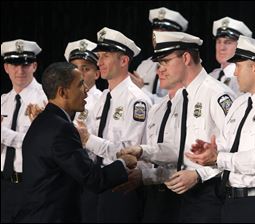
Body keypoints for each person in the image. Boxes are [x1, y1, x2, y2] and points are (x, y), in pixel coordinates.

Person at [120, 30, 236, 222]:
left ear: (186, 58)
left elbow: (234, 150)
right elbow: (178, 149)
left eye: (165, 61)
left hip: (210, 194)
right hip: (180, 194)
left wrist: (199, 174)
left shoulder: (217, 94)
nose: (160, 69)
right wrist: (143, 150)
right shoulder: (182, 98)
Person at [185, 35, 255, 223]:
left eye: (238, 66)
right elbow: (227, 143)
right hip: (230, 201)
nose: (235, 73)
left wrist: (219, 158)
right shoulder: (240, 102)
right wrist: (211, 151)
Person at [14, 62, 137, 223]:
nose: (86, 90)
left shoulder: (44, 121)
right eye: (80, 85)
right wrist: (123, 162)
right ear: (63, 92)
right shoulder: (61, 129)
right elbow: (93, 179)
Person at [76, 27, 152, 222]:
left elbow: (129, 154)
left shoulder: (136, 101)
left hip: (120, 187)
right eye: (99, 56)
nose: (99, 62)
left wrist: (88, 140)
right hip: (96, 183)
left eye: (106, 56)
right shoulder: (103, 98)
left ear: (124, 60)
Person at [116, 65, 185, 223]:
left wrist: (141, 152)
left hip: (183, 196)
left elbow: (181, 156)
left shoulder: (192, 106)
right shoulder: (156, 109)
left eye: (167, 64)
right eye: (159, 65)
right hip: (154, 195)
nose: (159, 71)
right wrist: (142, 174)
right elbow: (154, 155)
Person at [1, 39, 47, 223]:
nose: (20, 71)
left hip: (33, 185)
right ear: (6, 68)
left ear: (34, 66)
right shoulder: (3, 101)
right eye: (14, 64)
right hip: (4, 185)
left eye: (26, 64)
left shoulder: (45, 100)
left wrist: (4, 135)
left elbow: (41, 144)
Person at [64, 39, 102, 222]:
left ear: (97, 73)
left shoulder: (103, 100)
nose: (80, 73)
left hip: (88, 175)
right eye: (75, 68)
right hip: (64, 176)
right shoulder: (60, 98)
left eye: (86, 68)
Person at [131, 7, 188, 104]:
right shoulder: (145, 65)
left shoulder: (183, 66)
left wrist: (141, 89)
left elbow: (175, 103)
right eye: (155, 32)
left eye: (163, 33)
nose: (157, 38)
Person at [210, 16, 252, 96]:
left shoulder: (245, 79)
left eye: (228, 42)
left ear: (240, 46)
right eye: (219, 42)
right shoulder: (212, 76)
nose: (221, 48)